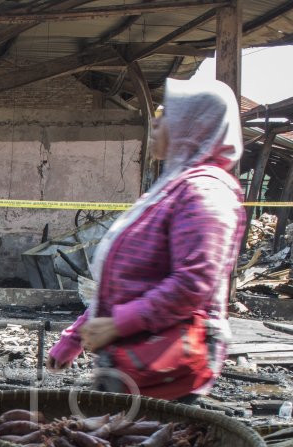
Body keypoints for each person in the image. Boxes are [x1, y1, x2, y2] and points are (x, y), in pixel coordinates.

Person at [48, 78, 246, 402]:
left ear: (193, 124)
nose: (155, 120)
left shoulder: (205, 192)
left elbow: (194, 283)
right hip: (134, 359)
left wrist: (117, 325)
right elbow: (124, 284)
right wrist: (75, 337)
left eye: (166, 112)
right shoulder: (173, 187)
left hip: (167, 368)